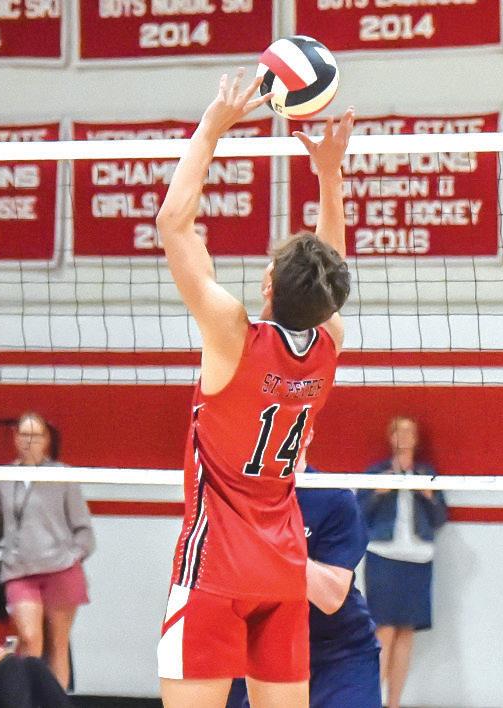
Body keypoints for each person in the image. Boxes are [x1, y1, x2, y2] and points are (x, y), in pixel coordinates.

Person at [152, 69, 354, 708]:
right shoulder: (329, 345)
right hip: (283, 569)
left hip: (214, 567)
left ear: (267, 286)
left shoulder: (232, 336)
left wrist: (213, 124)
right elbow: (330, 268)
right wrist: (329, 175)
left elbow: (173, 223)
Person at [227, 468, 382, 708]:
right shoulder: (233, 495)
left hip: (337, 653)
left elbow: (331, 598)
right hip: (263, 651)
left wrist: (273, 540)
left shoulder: (333, 497)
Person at [0, 412, 92, 688]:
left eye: (35, 436)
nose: (29, 441)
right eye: (24, 435)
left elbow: (83, 530)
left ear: (46, 440)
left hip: (61, 569)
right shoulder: (4, 478)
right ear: (15, 438)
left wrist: (72, 555)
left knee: (58, 644)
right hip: (19, 570)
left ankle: (55, 701)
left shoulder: (63, 475)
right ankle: (25, 698)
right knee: (29, 638)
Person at [357, 416, 447, 708]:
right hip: (384, 557)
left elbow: (440, 518)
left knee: (407, 631)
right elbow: (359, 512)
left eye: (410, 433)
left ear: (417, 439)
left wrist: (429, 497)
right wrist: (378, 494)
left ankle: (393, 703)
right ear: (391, 437)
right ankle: (372, 701)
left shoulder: (426, 473)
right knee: (383, 630)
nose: (405, 438)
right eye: (399, 432)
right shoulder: (376, 472)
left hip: (418, 558)